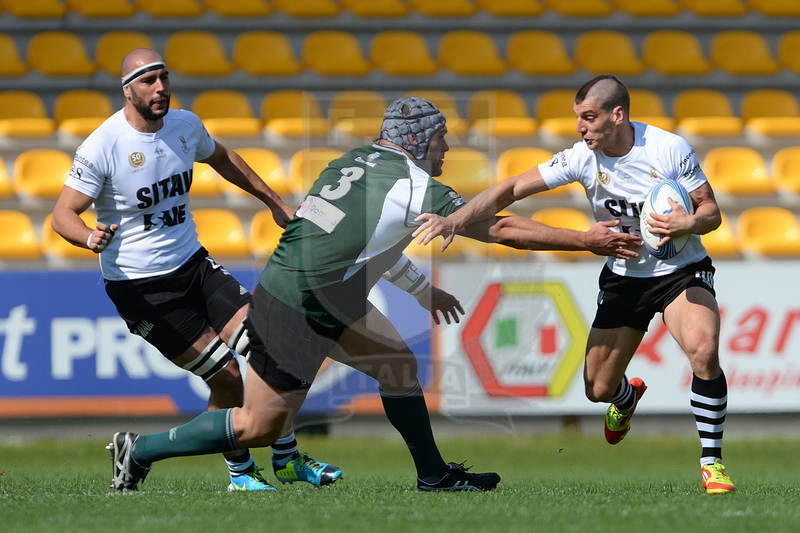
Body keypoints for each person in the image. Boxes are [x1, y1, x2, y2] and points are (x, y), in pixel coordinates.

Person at [105, 96, 641, 493]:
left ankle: (433, 476)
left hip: (312, 292)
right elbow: (499, 229)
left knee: (398, 367)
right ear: (419, 140)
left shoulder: (350, 163)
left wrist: (421, 289)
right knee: (258, 427)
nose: (447, 147)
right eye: (441, 138)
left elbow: (367, 245)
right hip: (303, 306)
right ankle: (141, 449)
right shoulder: (412, 184)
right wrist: (586, 240)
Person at [413, 75, 735, 495]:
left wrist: (688, 222)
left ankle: (712, 462)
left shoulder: (668, 148)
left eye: (588, 117)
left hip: (680, 272)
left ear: (616, 115)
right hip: (624, 277)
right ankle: (625, 398)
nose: (580, 128)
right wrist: (454, 219)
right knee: (597, 388)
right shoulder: (582, 157)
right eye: (578, 118)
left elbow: (711, 211)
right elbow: (511, 188)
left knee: (704, 350)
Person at [51, 48, 341, 491]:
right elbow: (62, 214)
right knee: (225, 375)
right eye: (148, 81)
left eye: (163, 77)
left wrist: (275, 203)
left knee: (275, 344)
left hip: (195, 266)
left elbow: (223, 158)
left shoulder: (186, 125)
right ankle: (240, 473)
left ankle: (286, 459)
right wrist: (88, 236)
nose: (160, 88)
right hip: (143, 288)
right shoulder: (103, 146)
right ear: (128, 90)